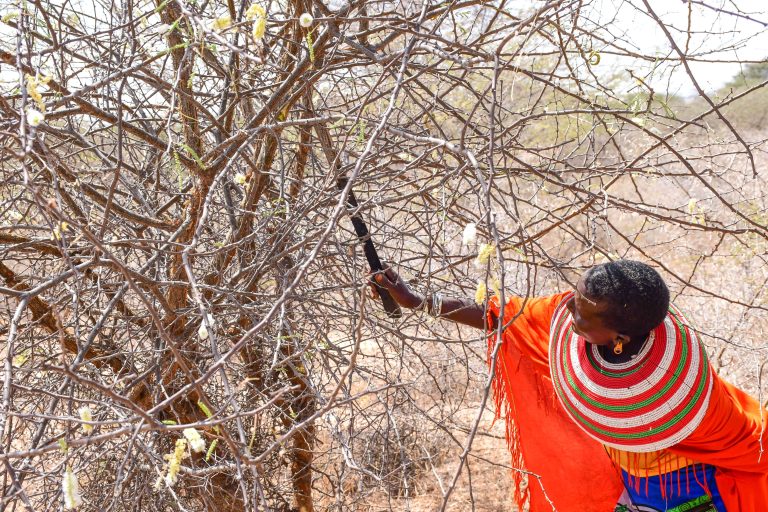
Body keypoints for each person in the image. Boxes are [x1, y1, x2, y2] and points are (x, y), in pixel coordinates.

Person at [373, 260, 768, 512]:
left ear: (619, 338)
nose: (566, 309)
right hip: (634, 494)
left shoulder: (682, 391)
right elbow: (505, 318)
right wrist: (418, 301)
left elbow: (745, 444)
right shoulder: (585, 315)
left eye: (579, 311)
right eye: (573, 298)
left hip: (694, 494)